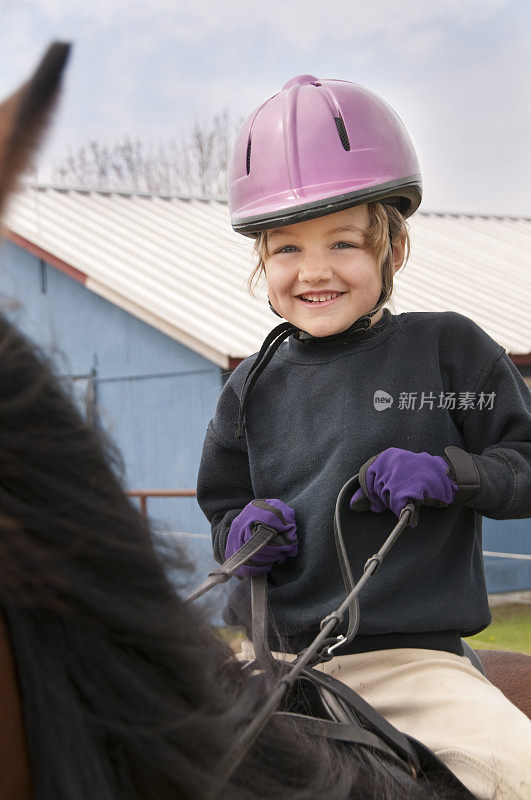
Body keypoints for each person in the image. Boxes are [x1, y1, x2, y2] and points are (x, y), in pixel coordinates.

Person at [196, 74, 531, 800]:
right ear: (262, 260)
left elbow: (525, 464)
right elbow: (221, 508)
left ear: (393, 249)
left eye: (342, 243)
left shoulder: (449, 350)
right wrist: (241, 536)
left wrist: (457, 475)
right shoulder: (247, 386)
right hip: (271, 659)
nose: (313, 271)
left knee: (522, 773)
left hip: (410, 667)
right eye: (286, 249)